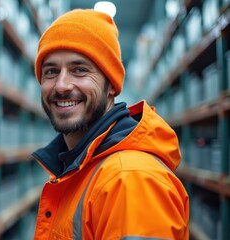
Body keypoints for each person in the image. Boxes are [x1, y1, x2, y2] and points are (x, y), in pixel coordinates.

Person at [32, 9, 189, 240]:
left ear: (112, 86)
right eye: (51, 71)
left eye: (80, 70)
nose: (61, 85)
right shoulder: (78, 168)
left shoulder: (130, 179)